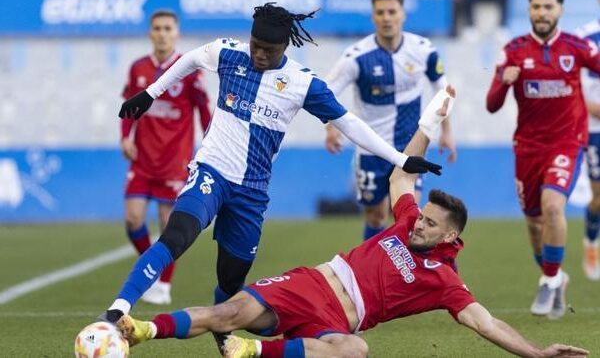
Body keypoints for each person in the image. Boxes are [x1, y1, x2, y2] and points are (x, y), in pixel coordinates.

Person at [116, 87, 588, 358]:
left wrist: (537, 353)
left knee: (355, 352)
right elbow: (402, 175)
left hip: (336, 321)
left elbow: (486, 324)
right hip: (310, 284)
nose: (418, 224)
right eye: (421, 216)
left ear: (451, 237)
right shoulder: (405, 221)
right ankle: (139, 330)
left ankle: (252, 353)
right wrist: (429, 120)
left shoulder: (445, 282)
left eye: (429, 224)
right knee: (226, 314)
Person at [102, 2, 443, 350]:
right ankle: (117, 311)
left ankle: (222, 326)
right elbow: (189, 59)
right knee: (177, 235)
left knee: (231, 277)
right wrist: (150, 93)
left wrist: (401, 158)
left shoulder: (301, 83)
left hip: (251, 192)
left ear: (284, 47)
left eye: (269, 50)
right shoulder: (228, 53)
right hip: (212, 171)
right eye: (255, 46)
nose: (260, 55)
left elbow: (348, 122)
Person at [486, 0, 600, 318]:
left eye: (548, 6)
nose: (541, 12)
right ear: (529, 10)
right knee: (535, 224)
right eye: (535, 6)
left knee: (553, 207)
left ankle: (549, 281)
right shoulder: (513, 50)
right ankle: (555, 274)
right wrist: (504, 82)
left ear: (560, 10)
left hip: (568, 142)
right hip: (528, 148)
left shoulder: (578, 47)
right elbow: (492, 105)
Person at [324, 0, 457, 242]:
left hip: (411, 148)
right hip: (371, 150)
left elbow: (443, 91)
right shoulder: (357, 57)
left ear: (403, 14)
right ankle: (369, 272)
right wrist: (330, 128)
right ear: (373, 17)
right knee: (376, 217)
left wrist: (447, 132)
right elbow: (325, 93)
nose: (386, 18)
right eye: (380, 12)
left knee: (409, 216)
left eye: (392, 12)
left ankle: (409, 279)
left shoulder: (423, 50)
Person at [120, 9, 211, 304]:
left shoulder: (189, 70)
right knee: (133, 219)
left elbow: (203, 109)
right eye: (157, 28)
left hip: (175, 160)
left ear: (177, 33)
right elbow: (130, 105)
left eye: (167, 28)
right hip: (143, 159)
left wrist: (209, 143)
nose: (162, 33)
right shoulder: (138, 68)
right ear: (150, 32)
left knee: (168, 225)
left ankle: (163, 286)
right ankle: (152, 269)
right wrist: (125, 137)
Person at [576, 0, 600, 281]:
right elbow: (573, 85)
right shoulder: (585, 39)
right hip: (595, 130)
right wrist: (590, 107)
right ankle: (591, 242)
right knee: (598, 197)